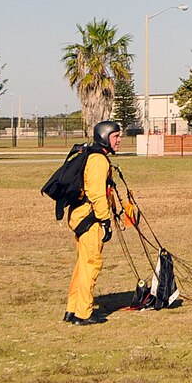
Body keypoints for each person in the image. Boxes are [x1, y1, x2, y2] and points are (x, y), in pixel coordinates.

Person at [65, 119, 123, 325]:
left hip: (81, 216)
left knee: (82, 264)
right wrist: (105, 220)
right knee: (91, 264)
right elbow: (97, 194)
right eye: (116, 136)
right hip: (90, 220)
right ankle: (83, 313)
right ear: (104, 137)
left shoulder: (92, 155)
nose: (119, 140)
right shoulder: (98, 160)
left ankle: (73, 309)